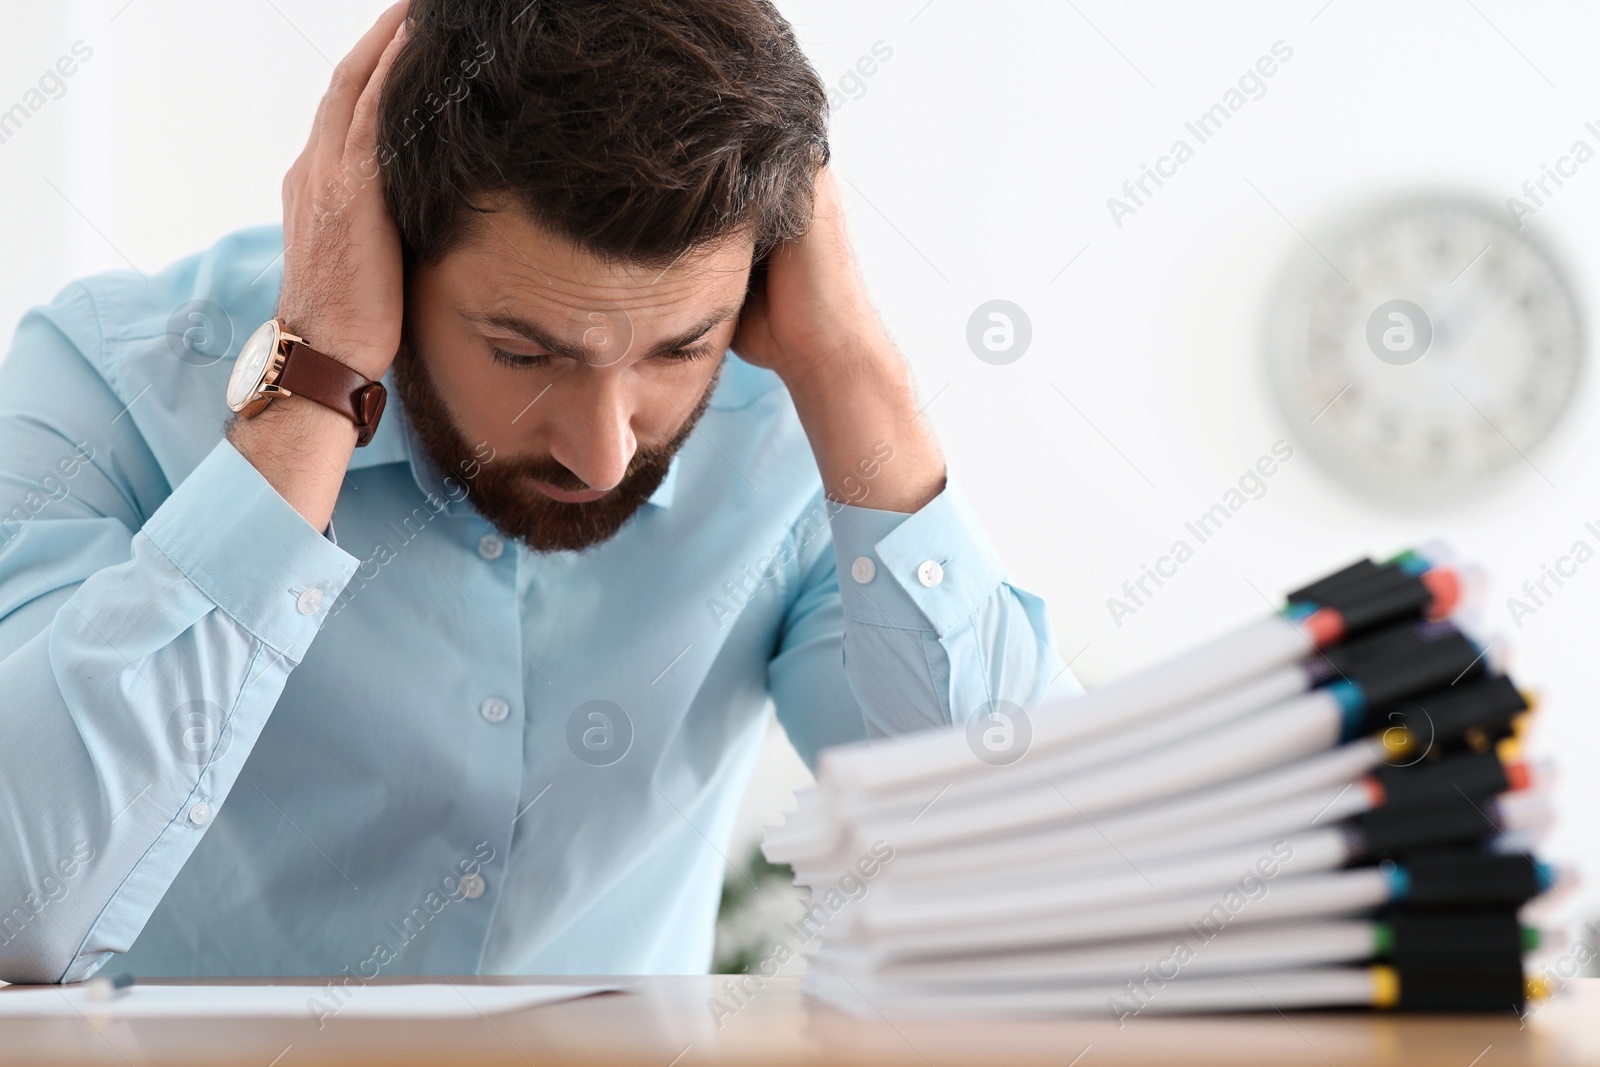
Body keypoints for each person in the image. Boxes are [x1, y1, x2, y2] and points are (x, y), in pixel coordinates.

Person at [0, 0, 1077, 984]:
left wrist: (852, 367)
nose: (603, 453)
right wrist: (314, 376)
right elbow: (16, 906)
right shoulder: (108, 380)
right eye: (523, 352)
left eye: (678, 347)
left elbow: (1041, 895)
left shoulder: (786, 427)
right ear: (386, 241)